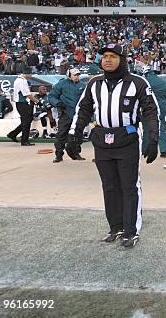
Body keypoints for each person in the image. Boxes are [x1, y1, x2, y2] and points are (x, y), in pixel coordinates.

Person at [65, 44, 159, 249]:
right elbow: (83, 109)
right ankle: (115, 227)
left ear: (122, 59)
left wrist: (153, 139)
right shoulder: (94, 84)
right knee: (109, 186)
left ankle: (131, 230)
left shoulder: (138, 83)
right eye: (104, 56)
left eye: (112, 56)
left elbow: (151, 112)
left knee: (129, 186)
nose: (107, 60)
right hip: (102, 140)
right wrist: (73, 136)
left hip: (127, 139)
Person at [48, 67, 86, 162]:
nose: (77, 76)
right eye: (75, 75)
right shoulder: (61, 84)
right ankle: (59, 155)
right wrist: (57, 103)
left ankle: (76, 154)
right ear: (69, 75)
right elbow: (51, 96)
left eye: (78, 75)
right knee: (61, 135)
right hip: (65, 113)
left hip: (78, 114)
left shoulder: (83, 85)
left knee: (78, 135)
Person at [139, 66, 166, 158]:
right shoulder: (162, 82)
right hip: (161, 106)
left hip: (147, 107)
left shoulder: (144, 81)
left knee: (146, 128)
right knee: (161, 127)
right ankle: (164, 150)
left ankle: (144, 149)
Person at [7, 68, 39, 146]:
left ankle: (13, 134)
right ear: (27, 74)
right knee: (26, 122)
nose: (31, 75)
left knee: (26, 121)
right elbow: (27, 94)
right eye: (31, 74)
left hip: (21, 103)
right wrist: (38, 101)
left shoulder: (19, 79)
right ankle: (24, 141)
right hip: (23, 103)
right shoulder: (22, 81)